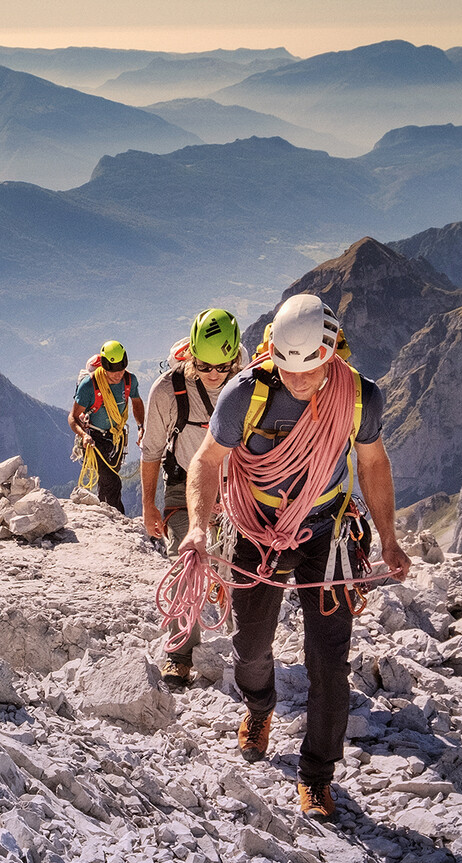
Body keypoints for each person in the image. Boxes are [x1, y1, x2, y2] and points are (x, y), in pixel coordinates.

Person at [180, 293, 412, 822]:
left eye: (311, 371)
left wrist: (389, 539)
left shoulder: (358, 397)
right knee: (252, 645)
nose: (299, 382)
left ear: (333, 355)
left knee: (329, 660)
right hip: (257, 524)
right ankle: (259, 707)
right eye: (288, 368)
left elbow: (373, 464)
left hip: (327, 530)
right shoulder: (245, 394)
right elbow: (208, 460)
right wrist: (196, 527)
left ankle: (317, 774)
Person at [139, 309, 242, 690]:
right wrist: (149, 505)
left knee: (237, 570)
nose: (215, 373)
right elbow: (150, 452)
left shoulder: (252, 383)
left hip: (237, 489)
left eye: (223, 365)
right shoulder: (167, 391)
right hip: (185, 486)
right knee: (187, 563)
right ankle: (180, 655)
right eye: (204, 365)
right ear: (191, 355)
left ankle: (246, 653)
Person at [69, 340, 144, 513]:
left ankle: (104, 512)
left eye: (121, 370)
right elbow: (73, 417)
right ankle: (118, 517)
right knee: (111, 479)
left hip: (117, 436)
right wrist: (83, 435)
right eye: (112, 372)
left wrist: (141, 427)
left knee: (108, 477)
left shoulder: (129, 380)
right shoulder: (89, 385)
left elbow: (137, 403)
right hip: (95, 438)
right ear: (103, 366)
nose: (118, 375)